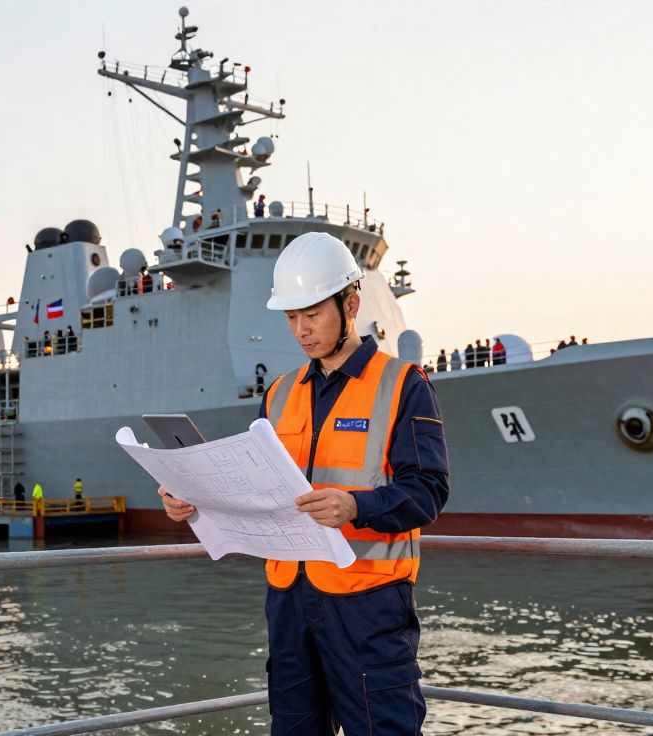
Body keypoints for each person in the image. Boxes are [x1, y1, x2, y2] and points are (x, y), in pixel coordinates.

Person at [159, 232, 448, 733]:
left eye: (311, 315)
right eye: (291, 318)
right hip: (290, 604)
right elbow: (254, 490)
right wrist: (194, 500)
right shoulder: (278, 394)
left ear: (351, 302)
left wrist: (355, 506)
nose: (301, 331)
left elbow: (428, 492)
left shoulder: (403, 384)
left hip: (369, 605)